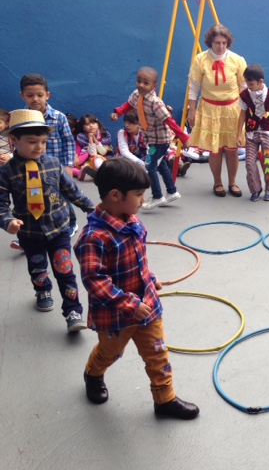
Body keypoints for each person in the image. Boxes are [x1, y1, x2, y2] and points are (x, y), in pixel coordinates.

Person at [73, 158, 199, 419]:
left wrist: (150, 279)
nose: (143, 200)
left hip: (148, 306)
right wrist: (129, 304)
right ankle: (93, 374)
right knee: (110, 352)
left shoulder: (134, 223)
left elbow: (138, 261)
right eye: (139, 195)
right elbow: (95, 280)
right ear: (115, 195)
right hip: (116, 316)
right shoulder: (93, 237)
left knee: (158, 353)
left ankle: (164, 399)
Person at [0, 109, 94, 331]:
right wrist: (7, 221)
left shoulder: (53, 164)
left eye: (43, 141)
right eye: (32, 142)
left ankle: (73, 311)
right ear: (14, 140)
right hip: (29, 233)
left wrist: (92, 209)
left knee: (65, 270)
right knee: (37, 268)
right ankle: (42, 290)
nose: (39, 147)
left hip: (58, 229)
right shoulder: (6, 172)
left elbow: (72, 191)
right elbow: (1, 204)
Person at [110, 66, 190, 210]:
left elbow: (169, 121)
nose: (141, 85)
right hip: (151, 138)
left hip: (160, 140)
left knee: (150, 166)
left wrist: (183, 137)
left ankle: (157, 196)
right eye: (139, 81)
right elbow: (128, 105)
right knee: (161, 164)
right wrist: (118, 113)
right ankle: (172, 191)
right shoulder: (136, 95)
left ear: (154, 86)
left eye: (146, 83)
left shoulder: (155, 103)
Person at [187, 24, 247, 198]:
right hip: (210, 110)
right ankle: (217, 182)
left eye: (224, 43)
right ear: (210, 42)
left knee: (232, 149)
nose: (221, 46)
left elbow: (244, 87)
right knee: (216, 149)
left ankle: (233, 182)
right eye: (217, 43)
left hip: (232, 110)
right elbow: (194, 87)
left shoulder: (237, 60)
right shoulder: (200, 60)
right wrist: (192, 110)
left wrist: (247, 111)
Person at [19, 74, 78, 237]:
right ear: (22, 96)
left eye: (40, 95)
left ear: (47, 95)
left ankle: (71, 223)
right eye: (30, 95)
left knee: (60, 197)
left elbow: (68, 142)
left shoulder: (58, 118)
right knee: (37, 198)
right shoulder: (21, 119)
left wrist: (68, 166)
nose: (35, 99)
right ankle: (41, 230)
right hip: (32, 168)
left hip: (56, 167)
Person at [236, 63, 269, 202]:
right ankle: (255, 189)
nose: (248, 86)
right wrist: (238, 134)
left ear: (261, 81)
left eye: (251, 83)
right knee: (249, 162)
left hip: (267, 133)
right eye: (246, 82)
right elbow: (242, 114)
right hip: (251, 134)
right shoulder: (245, 95)